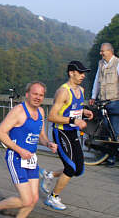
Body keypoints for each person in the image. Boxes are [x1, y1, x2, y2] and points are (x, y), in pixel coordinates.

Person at [0, 81, 58, 218]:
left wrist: (48, 143)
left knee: (33, 200)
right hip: (16, 158)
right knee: (26, 200)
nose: (38, 97)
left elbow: (40, 135)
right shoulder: (18, 111)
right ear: (27, 94)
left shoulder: (41, 112)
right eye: (35, 94)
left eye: (41, 95)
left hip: (30, 159)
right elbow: (0, 133)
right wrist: (20, 150)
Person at [40, 61, 93, 211]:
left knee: (79, 169)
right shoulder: (62, 91)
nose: (83, 75)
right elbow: (51, 116)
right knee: (70, 167)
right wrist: (74, 120)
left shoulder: (81, 90)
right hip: (60, 131)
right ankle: (53, 197)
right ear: (71, 73)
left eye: (84, 73)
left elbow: (75, 108)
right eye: (80, 72)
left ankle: (49, 175)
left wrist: (84, 112)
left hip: (72, 132)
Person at [89, 42, 119, 166]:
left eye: (103, 51)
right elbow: (97, 81)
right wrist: (93, 96)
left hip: (115, 101)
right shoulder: (101, 64)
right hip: (103, 102)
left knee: (114, 130)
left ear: (110, 51)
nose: (101, 53)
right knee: (106, 129)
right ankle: (106, 155)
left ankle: (112, 157)